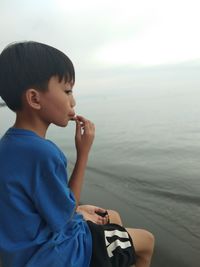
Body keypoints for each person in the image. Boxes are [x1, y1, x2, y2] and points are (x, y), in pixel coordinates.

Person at [0, 41, 154, 267]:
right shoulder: (42, 152)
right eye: (67, 91)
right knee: (146, 241)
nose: (73, 101)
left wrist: (79, 210)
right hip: (52, 254)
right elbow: (65, 218)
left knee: (113, 217)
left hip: (21, 250)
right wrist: (83, 154)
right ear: (34, 98)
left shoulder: (8, 145)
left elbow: (40, 205)